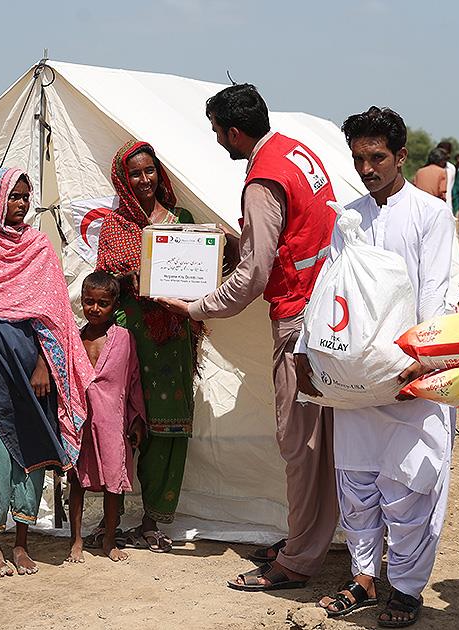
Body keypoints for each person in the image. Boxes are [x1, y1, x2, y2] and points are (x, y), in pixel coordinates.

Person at [157, 84, 340, 591]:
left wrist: (198, 306)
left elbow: (256, 272)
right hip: (329, 312)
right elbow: (293, 236)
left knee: (299, 442)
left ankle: (299, 559)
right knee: (321, 442)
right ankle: (308, 537)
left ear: (235, 131)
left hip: (299, 319)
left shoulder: (262, 178)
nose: (217, 140)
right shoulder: (299, 153)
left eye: (217, 131)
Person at [301, 107, 455, 627]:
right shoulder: (349, 217)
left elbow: (437, 292)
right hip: (355, 382)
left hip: (412, 378)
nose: (367, 168)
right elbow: (330, 292)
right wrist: (307, 351)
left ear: (401, 155)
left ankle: (407, 589)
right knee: (358, 484)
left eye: (377, 157)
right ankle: (363, 577)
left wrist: (424, 363)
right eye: (359, 158)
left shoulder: (429, 215)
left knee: (411, 486)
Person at [0, 167, 94, 577]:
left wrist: (46, 364)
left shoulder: (38, 247)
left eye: (26, 197)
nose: (21, 204)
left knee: (31, 452)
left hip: (32, 374)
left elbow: (52, 317)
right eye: (13, 196)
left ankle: (23, 542)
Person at [95, 140, 203, 553]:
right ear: (123, 180)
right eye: (135, 174)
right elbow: (104, 283)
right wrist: (131, 279)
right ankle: (111, 518)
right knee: (122, 423)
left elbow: (201, 270)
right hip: (130, 335)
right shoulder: (115, 225)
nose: (144, 180)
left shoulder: (182, 220)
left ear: (159, 173)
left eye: (149, 171)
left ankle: (152, 520)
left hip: (174, 336)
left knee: (170, 427)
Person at [66, 271, 146, 564]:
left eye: (103, 303)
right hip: (80, 422)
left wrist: (137, 419)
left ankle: (109, 540)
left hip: (113, 423)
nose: (95, 309)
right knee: (76, 481)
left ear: (115, 305)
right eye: (89, 302)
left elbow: (133, 379)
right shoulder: (75, 338)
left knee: (114, 481)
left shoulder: (124, 339)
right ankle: (75, 541)